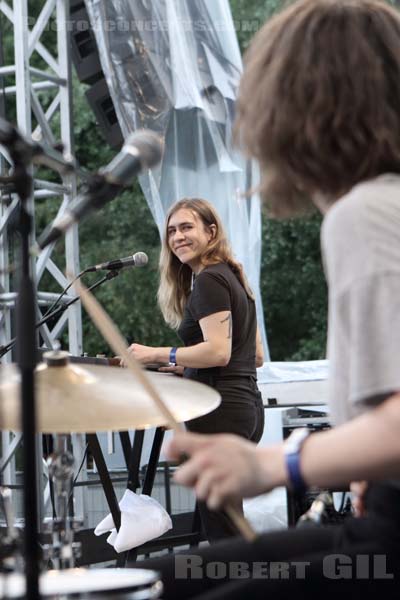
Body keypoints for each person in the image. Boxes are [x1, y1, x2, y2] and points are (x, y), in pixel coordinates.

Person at [136, 1, 400, 597]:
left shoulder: (367, 214)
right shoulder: (240, 272)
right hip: (365, 517)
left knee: (160, 585)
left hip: (385, 546)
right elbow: (251, 355)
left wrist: (270, 465)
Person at [127, 198, 265, 541]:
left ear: (211, 231)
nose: (177, 237)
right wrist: (184, 367)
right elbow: (255, 355)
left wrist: (154, 354)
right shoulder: (235, 277)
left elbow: (218, 352)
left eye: (186, 227)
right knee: (226, 521)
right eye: (171, 231)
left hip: (219, 409)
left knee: (224, 530)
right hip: (246, 406)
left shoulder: (209, 281)